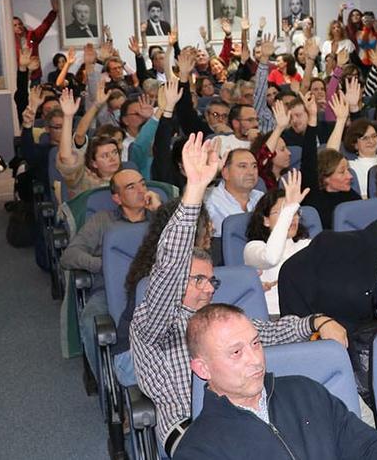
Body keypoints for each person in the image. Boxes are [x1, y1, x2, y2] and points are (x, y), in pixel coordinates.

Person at [131, 134, 346, 457]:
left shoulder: (216, 318)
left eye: (212, 281)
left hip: (248, 415)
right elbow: (169, 267)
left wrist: (317, 321)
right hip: (192, 427)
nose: (208, 288)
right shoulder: (154, 321)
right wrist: (194, 192)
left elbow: (270, 331)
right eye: (198, 280)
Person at [172, 303, 377, 459]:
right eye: (236, 353)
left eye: (256, 343)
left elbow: (371, 447)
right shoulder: (198, 450)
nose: (255, 360)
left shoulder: (305, 392)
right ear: (202, 368)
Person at [61, 169, 161, 373]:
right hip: (109, 290)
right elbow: (69, 255)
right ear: (117, 198)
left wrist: (159, 212)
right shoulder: (103, 220)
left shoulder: (159, 220)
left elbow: (188, 249)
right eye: (131, 187)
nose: (141, 191)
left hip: (156, 289)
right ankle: (108, 385)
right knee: (91, 321)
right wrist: (104, 264)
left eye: (143, 184)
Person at [243, 170, 309, 316]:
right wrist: (289, 210)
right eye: (281, 212)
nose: (292, 217)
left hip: (307, 317)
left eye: (295, 213)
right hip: (273, 317)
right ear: (265, 220)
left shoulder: (306, 245)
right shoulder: (253, 248)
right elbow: (272, 257)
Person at [56, 90, 122, 198]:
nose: (112, 158)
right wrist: (68, 118)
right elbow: (66, 157)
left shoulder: (128, 177)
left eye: (114, 153)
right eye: (105, 155)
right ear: (94, 163)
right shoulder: (83, 180)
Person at [205, 148, 265, 242]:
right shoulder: (209, 200)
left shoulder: (261, 198)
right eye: (243, 166)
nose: (251, 172)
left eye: (254, 166)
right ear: (225, 173)